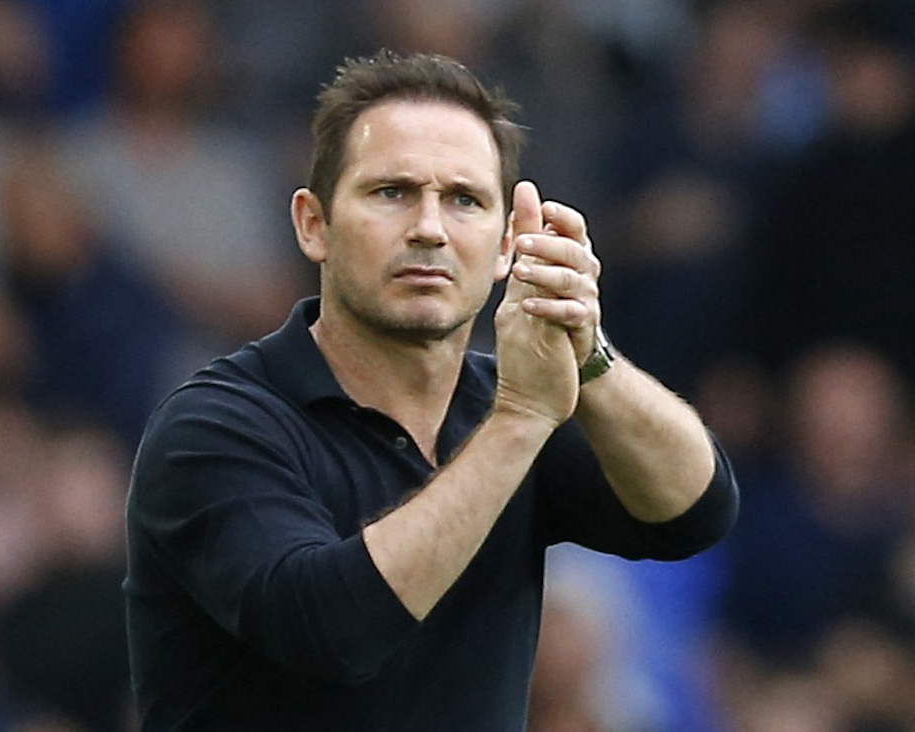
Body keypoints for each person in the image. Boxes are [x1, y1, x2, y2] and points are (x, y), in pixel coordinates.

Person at [124, 50, 740, 730]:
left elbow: (694, 510)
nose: (428, 227)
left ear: (508, 244)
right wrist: (518, 422)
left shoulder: (514, 399)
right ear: (313, 224)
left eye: (464, 200)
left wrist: (588, 351)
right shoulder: (215, 425)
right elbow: (328, 630)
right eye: (391, 192)